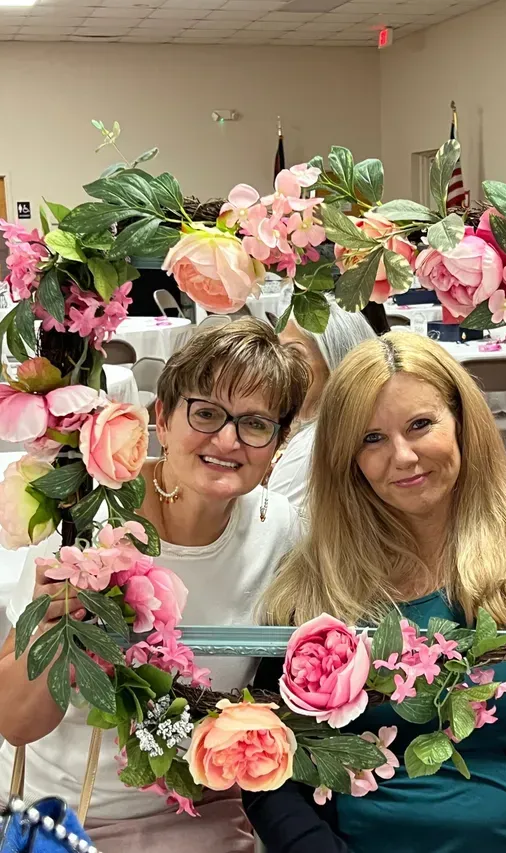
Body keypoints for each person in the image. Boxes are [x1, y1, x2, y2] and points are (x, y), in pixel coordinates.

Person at [245, 332, 506, 853]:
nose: (403, 457)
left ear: (462, 422)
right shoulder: (311, 580)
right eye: (371, 439)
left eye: (420, 425)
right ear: (347, 458)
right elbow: (272, 768)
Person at [0, 319, 309, 853]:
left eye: (255, 424)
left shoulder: (282, 533)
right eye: (207, 413)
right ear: (161, 420)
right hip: (66, 814)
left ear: (278, 444)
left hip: (203, 813)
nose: (228, 440)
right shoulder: (85, 517)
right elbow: (18, 724)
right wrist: (54, 627)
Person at [270, 301, 377, 510]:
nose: (281, 367)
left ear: (334, 362)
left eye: (294, 354)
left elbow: (266, 529)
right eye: (280, 355)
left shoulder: (313, 448)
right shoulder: (364, 426)